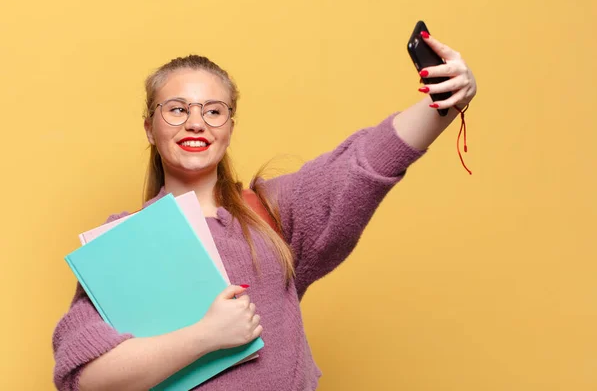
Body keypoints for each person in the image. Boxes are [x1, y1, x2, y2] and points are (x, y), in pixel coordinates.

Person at [52, 32, 477, 391]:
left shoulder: (271, 212)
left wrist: (445, 100)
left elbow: (364, 161)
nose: (196, 123)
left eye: (213, 111)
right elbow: (83, 375)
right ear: (150, 126)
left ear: (230, 127)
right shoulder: (124, 239)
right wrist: (205, 337)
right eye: (177, 109)